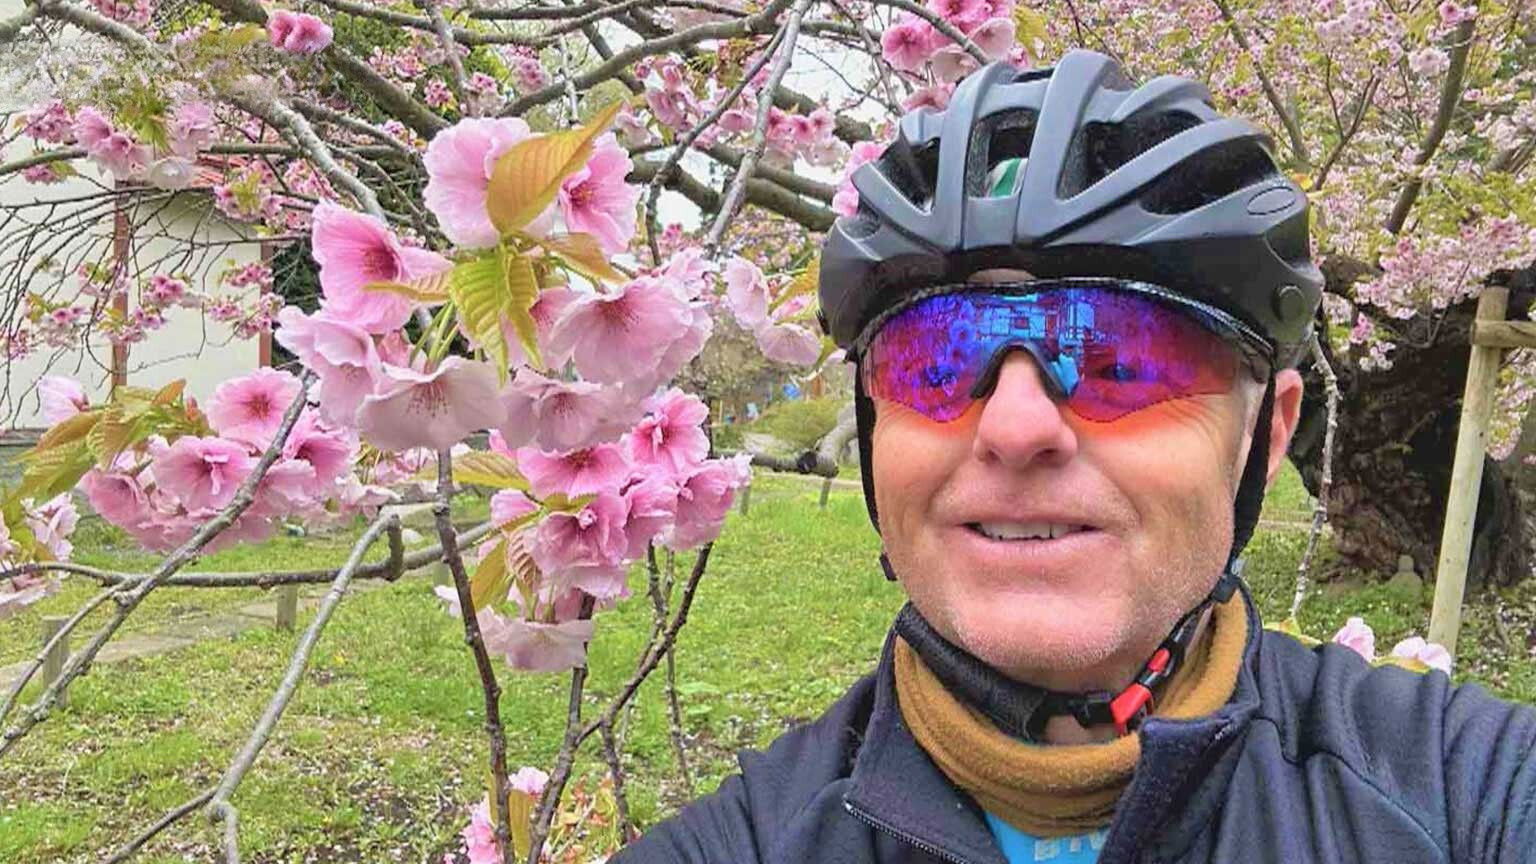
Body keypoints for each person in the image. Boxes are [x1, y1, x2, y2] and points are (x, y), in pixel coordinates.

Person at [612, 51, 1536, 864]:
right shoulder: (747, 842)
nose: (1014, 428)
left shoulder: (1463, 790)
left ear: (1268, 433)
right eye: (935, 358)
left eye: (1123, 359)